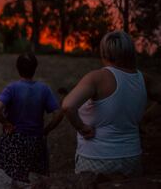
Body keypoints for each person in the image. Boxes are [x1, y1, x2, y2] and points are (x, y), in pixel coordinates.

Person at [62, 30, 160, 177]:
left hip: (96, 160)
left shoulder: (96, 78)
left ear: (104, 52)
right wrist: (145, 119)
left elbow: (68, 106)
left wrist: (82, 128)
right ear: (129, 51)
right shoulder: (143, 79)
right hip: (131, 159)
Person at [0, 52, 63, 182]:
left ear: (17, 68)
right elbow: (58, 114)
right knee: (36, 180)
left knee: (12, 180)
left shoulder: (12, 88)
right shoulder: (44, 89)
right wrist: (46, 130)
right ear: (35, 68)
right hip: (36, 142)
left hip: (14, 142)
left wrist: (6, 123)